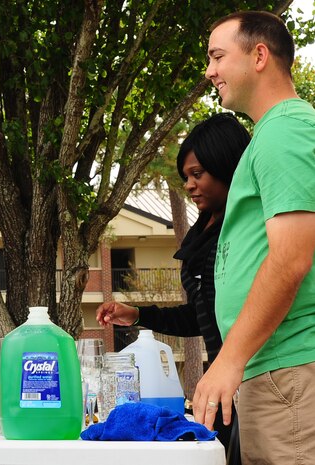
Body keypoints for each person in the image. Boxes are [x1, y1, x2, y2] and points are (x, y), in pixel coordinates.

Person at [192, 11, 315, 464]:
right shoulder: (269, 135)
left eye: (218, 56)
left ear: (259, 55)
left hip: (291, 374)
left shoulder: (285, 131)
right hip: (275, 375)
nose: (210, 71)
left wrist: (228, 360)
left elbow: (290, 259)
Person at [96, 112, 250, 460]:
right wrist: (136, 315)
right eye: (185, 177)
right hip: (221, 382)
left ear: (227, 164)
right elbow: (202, 317)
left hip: (250, 377)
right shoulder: (205, 230)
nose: (190, 185)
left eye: (199, 174)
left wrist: (230, 368)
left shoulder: (244, 228)